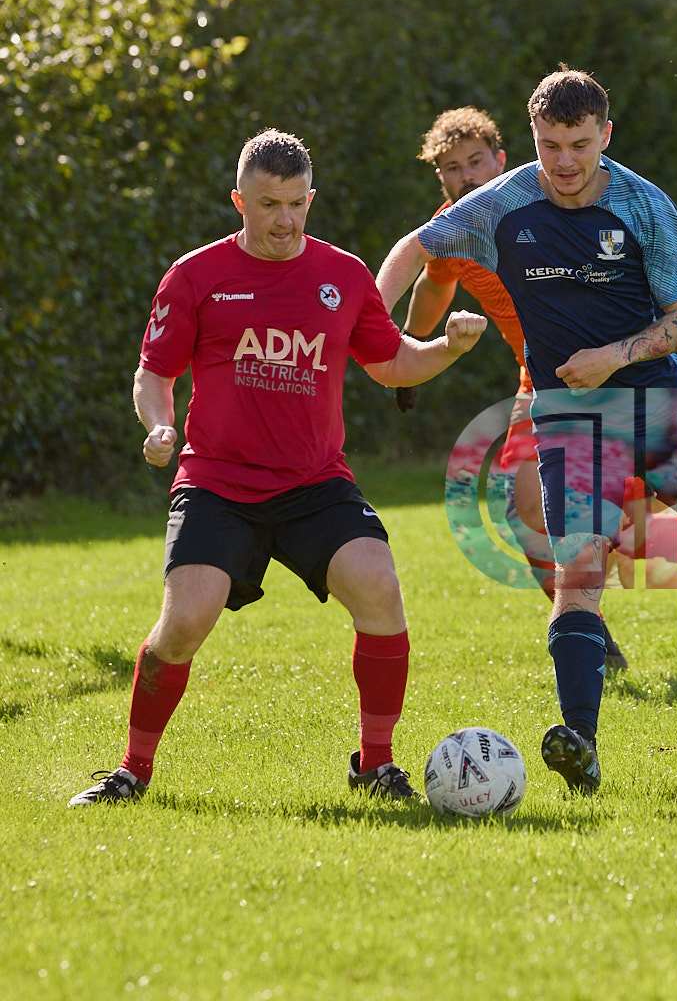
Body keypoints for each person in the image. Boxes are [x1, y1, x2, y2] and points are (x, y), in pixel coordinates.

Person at [68, 129, 486, 806]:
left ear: (310, 199)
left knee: (379, 587)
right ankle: (132, 772)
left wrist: (447, 348)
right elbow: (154, 373)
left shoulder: (343, 275)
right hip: (217, 484)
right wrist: (159, 425)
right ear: (240, 201)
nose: (284, 220)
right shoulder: (196, 275)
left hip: (315, 483)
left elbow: (391, 364)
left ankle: (375, 764)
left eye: (296, 203)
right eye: (268, 204)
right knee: (184, 624)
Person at [376, 66, 677, 796]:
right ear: (532, 138)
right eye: (551, 145)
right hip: (568, 416)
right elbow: (418, 251)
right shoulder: (505, 200)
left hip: (660, 406)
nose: (565, 162)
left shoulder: (644, 204)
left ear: (606, 135)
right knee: (576, 575)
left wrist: (612, 356)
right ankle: (581, 740)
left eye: (580, 145)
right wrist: (372, 325)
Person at [396, 105, 628, 668]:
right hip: (542, 378)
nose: (466, 176)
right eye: (452, 168)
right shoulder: (451, 229)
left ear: (501, 159)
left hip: (621, 366)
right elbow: (433, 285)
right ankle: (589, 633)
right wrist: (409, 349)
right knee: (525, 512)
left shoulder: (549, 195)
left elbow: (650, 235)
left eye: (476, 161)